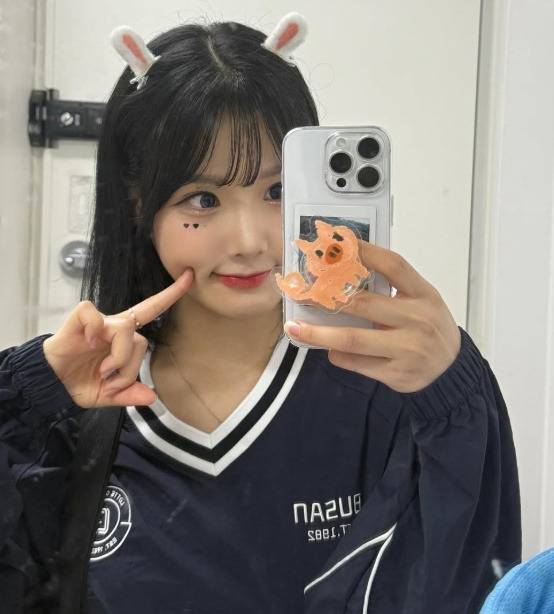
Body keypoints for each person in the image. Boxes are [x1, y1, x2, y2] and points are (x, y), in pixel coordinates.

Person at [0, 14, 521, 614]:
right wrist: (28, 396)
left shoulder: (389, 386)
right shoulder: (78, 403)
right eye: (203, 199)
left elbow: (465, 583)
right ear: (140, 204)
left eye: (276, 192)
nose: (249, 241)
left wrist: (452, 391)